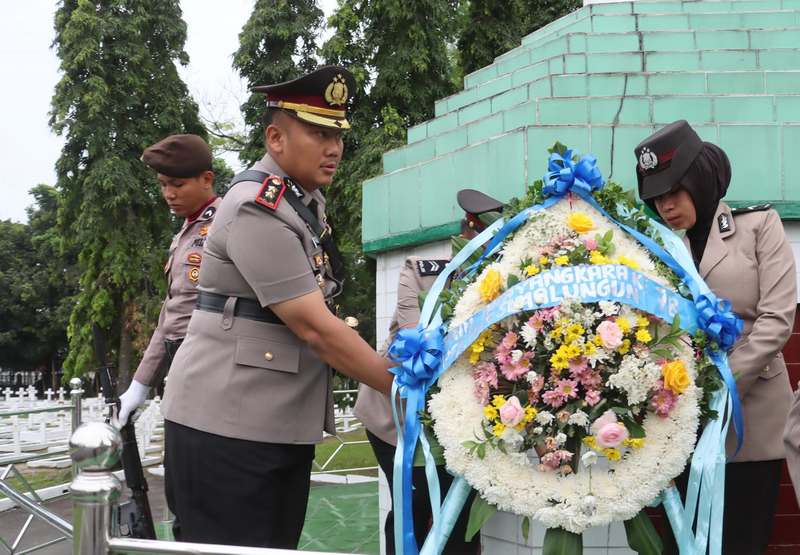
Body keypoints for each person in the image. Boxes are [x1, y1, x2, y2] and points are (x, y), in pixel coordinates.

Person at [159, 66, 394, 549]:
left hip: (272, 422)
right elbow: (315, 327)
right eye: (318, 132)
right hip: (228, 427)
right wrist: (403, 388)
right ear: (276, 138)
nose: (333, 147)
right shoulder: (257, 207)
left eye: (338, 135)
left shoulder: (301, 203)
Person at [636, 120, 797, 555]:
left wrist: (718, 386)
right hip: (683, 424)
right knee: (684, 544)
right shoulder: (658, 249)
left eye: (674, 191)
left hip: (751, 419)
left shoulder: (759, 225)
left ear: (699, 178)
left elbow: (777, 319)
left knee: (743, 541)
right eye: (657, 198)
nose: (666, 206)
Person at [354, 188, 503, 554]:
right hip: (397, 419)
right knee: (413, 510)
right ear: (466, 231)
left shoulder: (508, 291)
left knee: (461, 519)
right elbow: (422, 350)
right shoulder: (421, 276)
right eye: (482, 236)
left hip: (459, 425)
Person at [118, 134, 219, 425]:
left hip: (214, 368)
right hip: (182, 368)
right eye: (163, 184)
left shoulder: (228, 222)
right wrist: (140, 383)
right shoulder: (187, 231)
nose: (169, 194)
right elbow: (172, 312)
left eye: (178, 184)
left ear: (206, 179)